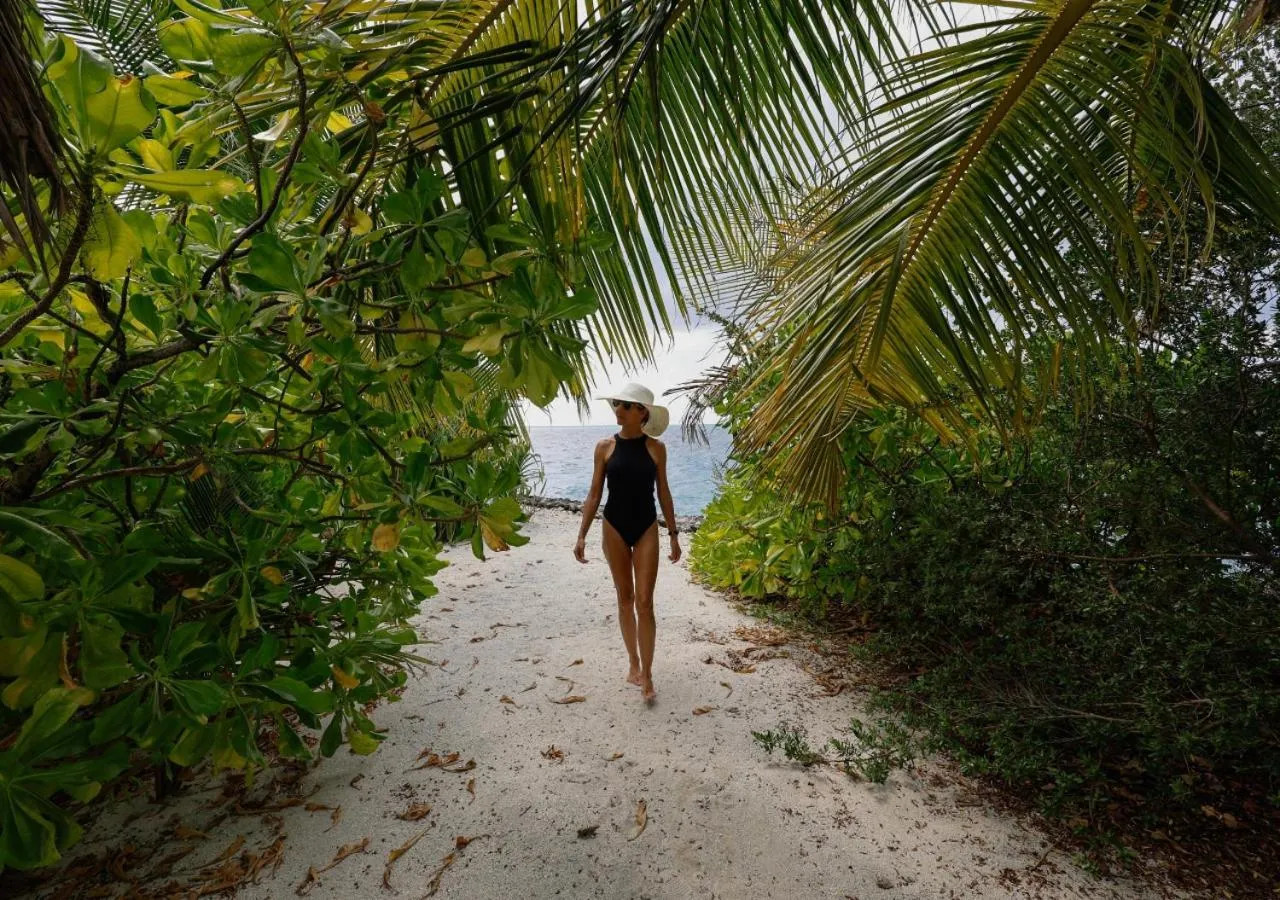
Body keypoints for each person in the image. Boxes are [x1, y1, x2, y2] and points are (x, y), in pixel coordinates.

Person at [574, 383, 680, 704]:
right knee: (625, 599)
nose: (616, 409)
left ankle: (647, 673)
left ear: (641, 412)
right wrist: (581, 535)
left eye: (623, 405)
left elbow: (663, 493)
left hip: (646, 526)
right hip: (614, 527)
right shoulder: (604, 447)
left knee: (645, 602)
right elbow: (595, 494)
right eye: (616, 404)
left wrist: (674, 535)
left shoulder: (656, 448)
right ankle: (632, 661)